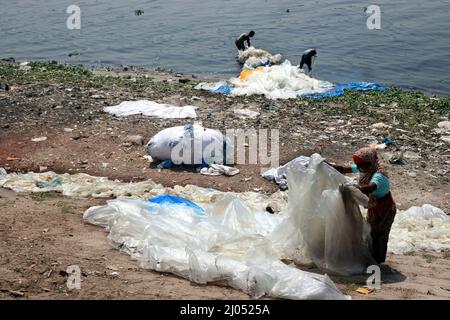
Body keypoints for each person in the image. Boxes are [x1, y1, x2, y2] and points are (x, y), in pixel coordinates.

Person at [330, 147, 397, 264]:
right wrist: (328, 165)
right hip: (374, 207)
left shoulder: (379, 175)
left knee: (379, 235)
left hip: (385, 209)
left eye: (363, 165)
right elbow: (344, 169)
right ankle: (372, 258)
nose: (360, 167)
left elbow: (371, 187)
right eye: (358, 165)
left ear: (371, 162)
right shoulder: (364, 169)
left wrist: (357, 188)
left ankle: (378, 262)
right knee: (371, 232)